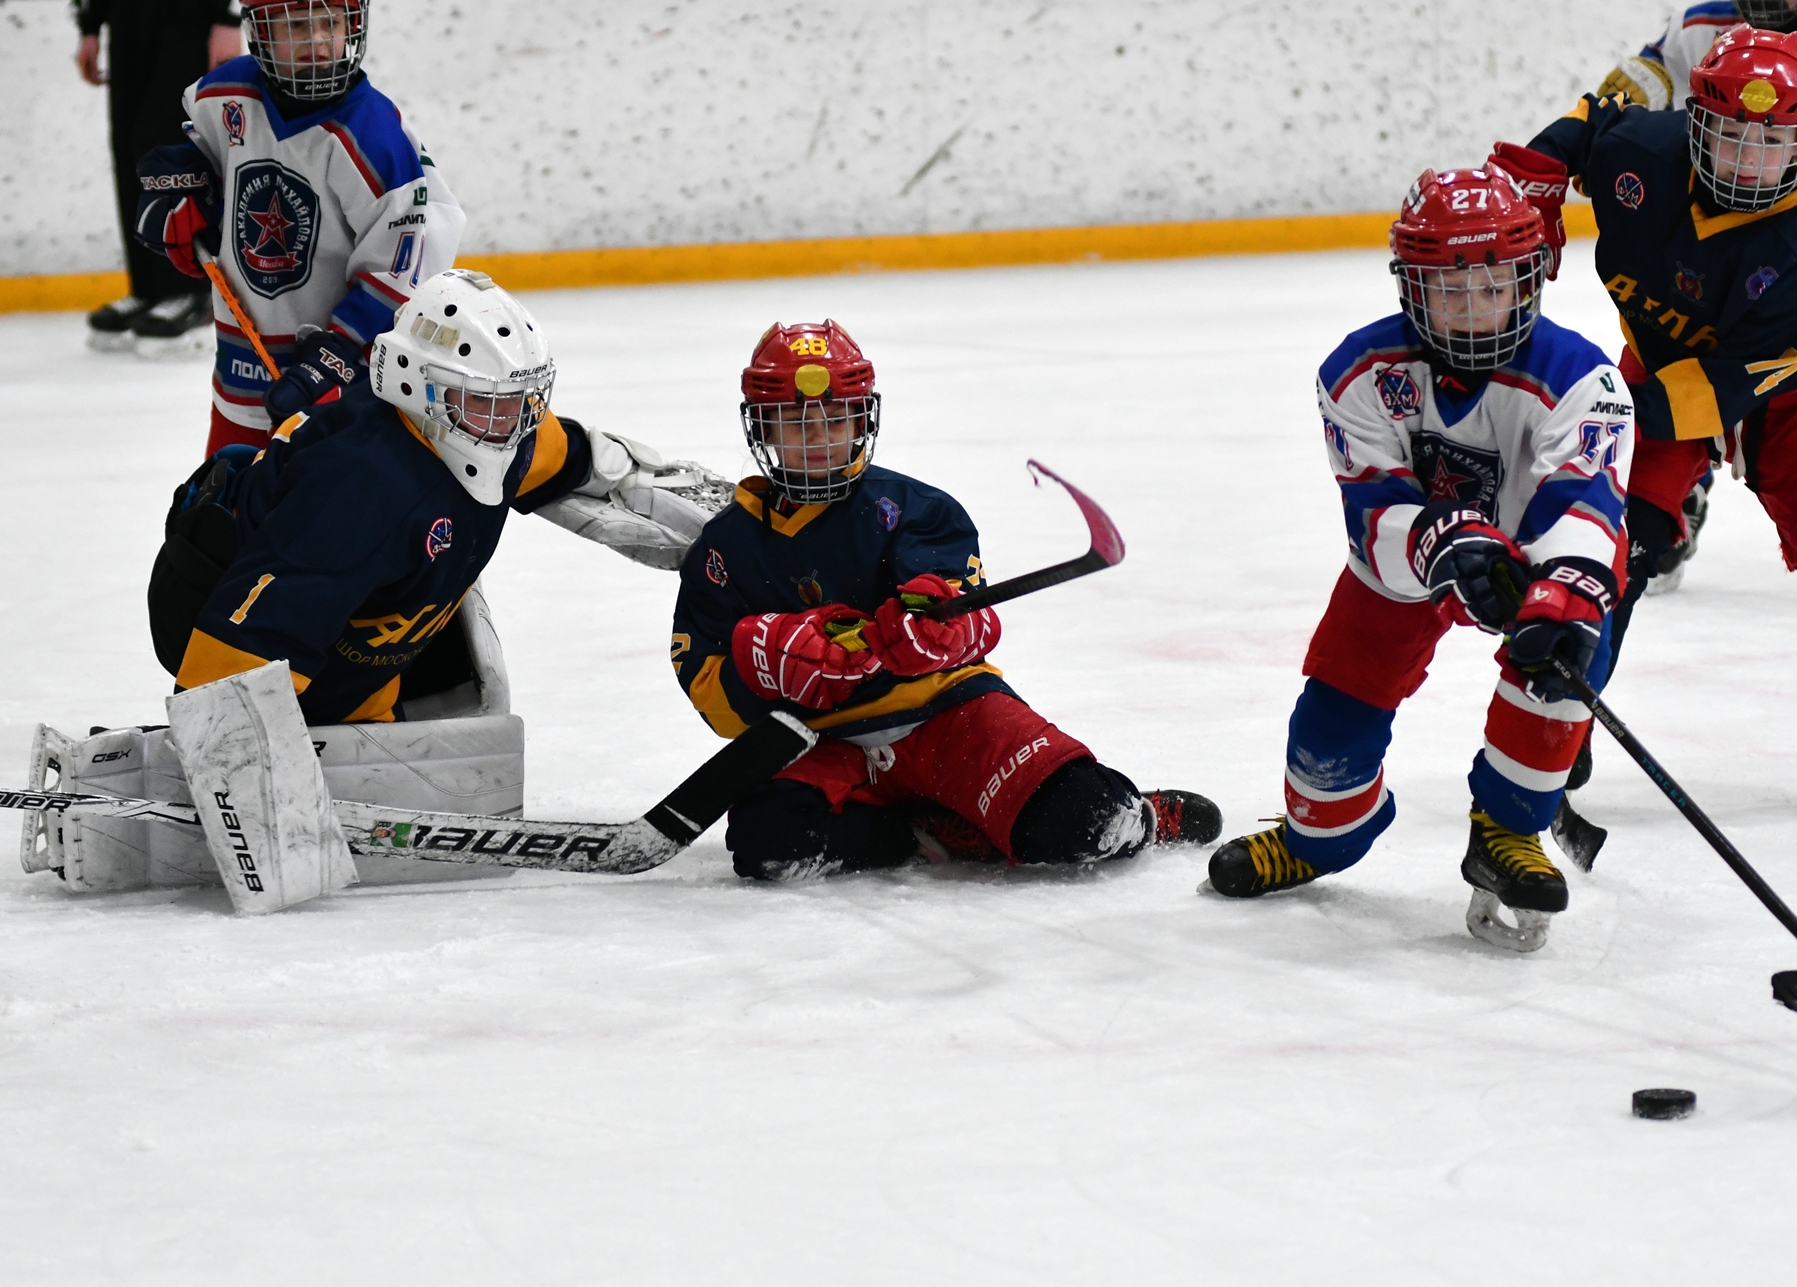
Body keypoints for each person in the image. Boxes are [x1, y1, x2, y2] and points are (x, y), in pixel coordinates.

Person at [1204, 164, 1633, 955]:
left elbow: (1586, 503)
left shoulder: (1583, 379)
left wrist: (1563, 591)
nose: (1473, 310)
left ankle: (1508, 830)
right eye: (1450, 289)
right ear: (1412, 288)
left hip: (1532, 559)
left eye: (1493, 285)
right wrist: (1443, 541)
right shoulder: (1359, 371)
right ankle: (1318, 834)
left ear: (1530, 278)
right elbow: (1373, 515)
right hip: (1409, 563)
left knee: (1567, 660)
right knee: (1331, 727)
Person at [669, 320, 1222, 881]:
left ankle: (1145, 816)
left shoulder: (916, 510)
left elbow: (970, 615)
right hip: (824, 741)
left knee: (1087, 821)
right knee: (770, 848)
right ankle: (926, 830)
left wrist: (935, 631)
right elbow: (704, 682)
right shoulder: (722, 550)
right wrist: (761, 668)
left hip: (944, 715)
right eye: (794, 422)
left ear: (863, 419)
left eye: (836, 419)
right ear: (759, 427)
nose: (818, 438)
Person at [1491, 27, 1797, 758]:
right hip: (1658, 369)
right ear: (1696, 122)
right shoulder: (1643, 152)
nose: (1747, 161)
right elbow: (1588, 126)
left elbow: (1716, 396)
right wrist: (1541, 173)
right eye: (1731, 135)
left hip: (1792, 399)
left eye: (1771, 144)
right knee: (1610, 561)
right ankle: (1550, 737)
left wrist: (1599, 410)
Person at [153, 268, 726, 725]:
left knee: (443, 619)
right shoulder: (360, 491)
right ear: (413, 383)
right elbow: (244, 645)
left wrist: (749, 532)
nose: (509, 425)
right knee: (328, 612)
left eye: (521, 401)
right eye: (488, 404)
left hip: (348, 612)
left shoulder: (496, 430)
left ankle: (362, 714)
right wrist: (231, 756)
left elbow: (595, 467)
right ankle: (340, 719)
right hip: (219, 608)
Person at [1594, 0, 1797, 587]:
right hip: (1708, 242)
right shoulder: (1700, 23)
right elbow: (1648, 77)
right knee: (1692, 375)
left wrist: (1770, 275)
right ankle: (1678, 503)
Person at [131, 0, 466, 457]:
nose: (319, 39)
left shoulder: (374, 137)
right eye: (296, 24)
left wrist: (338, 356)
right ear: (261, 32)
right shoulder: (222, 96)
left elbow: (403, 270)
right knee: (215, 521)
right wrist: (181, 190)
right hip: (238, 375)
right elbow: (208, 162)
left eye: (332, 22)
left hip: (340, 392)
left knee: (323, 522)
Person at [73, 0, 244, 352]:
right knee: (129, 145)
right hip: (127, 15)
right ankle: (148, 288)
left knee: (167, 138)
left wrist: (229, 16)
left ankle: (191, 290)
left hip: (191, 15)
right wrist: (90, 24)